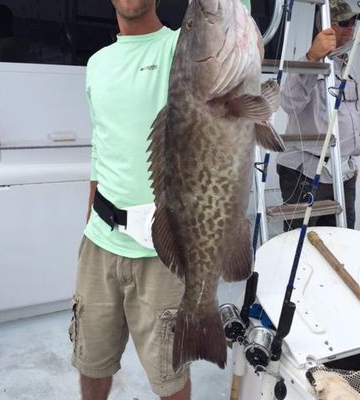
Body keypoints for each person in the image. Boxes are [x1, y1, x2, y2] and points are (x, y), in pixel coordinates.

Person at [69, 0, 251, 399]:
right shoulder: (97, 64)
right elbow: (100, 150)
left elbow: (227, 17)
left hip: (164, 249)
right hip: (99, 242)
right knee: (90, 362)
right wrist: (88, 227)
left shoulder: (183, 46)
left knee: (170, 379)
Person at [276, 0, 360, 231]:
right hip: (306, 173)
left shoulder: (346, 67)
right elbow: (289, 103)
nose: (350, 28)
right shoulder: (307, 62)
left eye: (352, 22)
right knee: (299, 242)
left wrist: (351, 163)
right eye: (343, 22)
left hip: (342, 173)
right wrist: (312, 58)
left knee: (341, 239)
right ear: (324, 26)